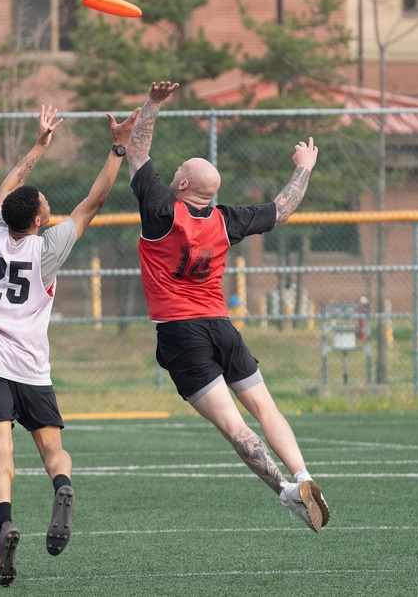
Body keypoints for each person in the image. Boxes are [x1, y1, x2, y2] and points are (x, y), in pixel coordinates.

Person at [122, 81, 331, 533]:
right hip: (221, 326)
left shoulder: (161, 210)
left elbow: (136, 152)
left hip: (182, 333)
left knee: (234, 427)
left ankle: (285, 491)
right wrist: (304, 168)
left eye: (177, 170)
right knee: (265, 408)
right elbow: (282, 209)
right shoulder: (226, 220)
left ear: (181, 184)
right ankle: (305, 476)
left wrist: (152, 103)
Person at [0, 103, 139, 587]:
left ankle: (5, 523)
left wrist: (38, 145)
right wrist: (117, 146)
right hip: (32, 367)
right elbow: (93, 202)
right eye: (43, 205)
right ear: (38, 220)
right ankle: (62, 486)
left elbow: (6, 188)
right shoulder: (48, 249)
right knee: (52, 445)